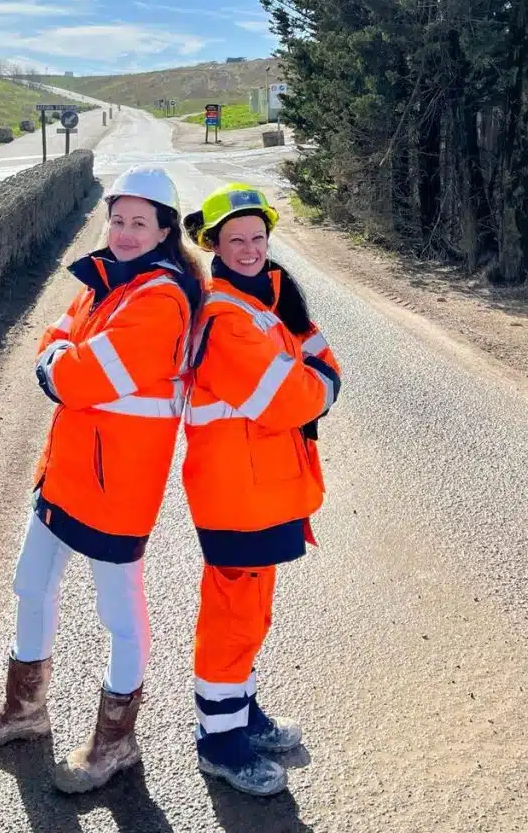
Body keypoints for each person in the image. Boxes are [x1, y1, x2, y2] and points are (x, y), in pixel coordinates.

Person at [0, 165, 203, 794]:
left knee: (119, 615)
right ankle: (26, 711)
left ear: (165, 230)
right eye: (117, 219)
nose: (122, 232)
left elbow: (74, 377)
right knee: (30, 584)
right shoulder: (108, 285)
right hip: (67, 472)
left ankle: (115, 742)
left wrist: (59, 365)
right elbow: (57, 337)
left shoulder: (161, 298)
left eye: (138, 223)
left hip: (117, 486)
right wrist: (59, 358)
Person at [181, 183, 341, 797]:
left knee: (252, 614)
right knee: (232, 620)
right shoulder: (224, 316)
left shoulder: (267, 300)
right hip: (236, 494)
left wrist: (315, 372)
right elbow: (293, 396)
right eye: (236, 240)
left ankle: (241, 716)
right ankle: (219, 745)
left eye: (259, 238)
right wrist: (319, 382)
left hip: (264, 489)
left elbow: (323, 360)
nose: (250, 249)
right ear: (213, 245)